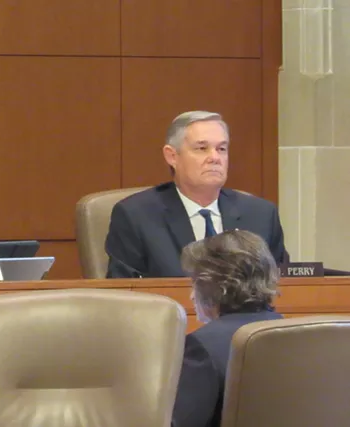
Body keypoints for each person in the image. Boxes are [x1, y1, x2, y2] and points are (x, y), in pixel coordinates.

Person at [105, 110, 287, 278]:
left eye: (221, 149)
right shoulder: (136, 216)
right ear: (172, 156)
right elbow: (124, 294)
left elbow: (284, 287)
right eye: (202, 148)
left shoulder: (261, 215)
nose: (215, 158)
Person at [171, 230, 283, 427]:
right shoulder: (295, 332)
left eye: (194, 284)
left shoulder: (203, 346)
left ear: (211, 286)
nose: (191, 296)